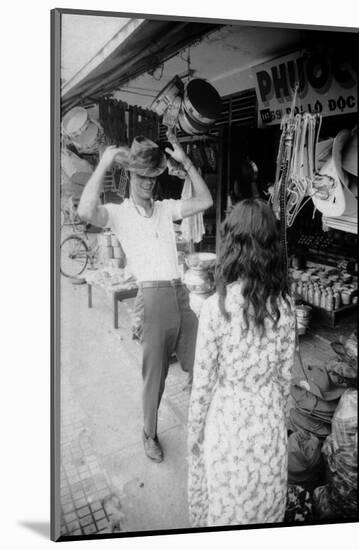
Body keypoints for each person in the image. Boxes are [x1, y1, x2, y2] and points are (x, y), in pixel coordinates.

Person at [78, 133, 213, 463]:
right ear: (129, 175)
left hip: (181, 294)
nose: (148, 184)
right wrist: (104, 163)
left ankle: (202, 427)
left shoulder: (166, 209)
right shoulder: (119, 213)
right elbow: (85, 210)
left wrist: (187, 163)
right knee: (155, 377)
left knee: (202, 365)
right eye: (142, 177)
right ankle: (149, 433)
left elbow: (206, 201)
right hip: (152, 300)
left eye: (153, 177)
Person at [187, 198, 296, 527]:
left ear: (231, 243)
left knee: (229, 508)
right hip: (268, 423)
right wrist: (276, 418)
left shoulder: (215, 309)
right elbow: (283, 381)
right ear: (270, 247)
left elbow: (203, 386)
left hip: (228, 424)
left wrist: (194, 435)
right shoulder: (286, 307)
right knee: (265, 501)